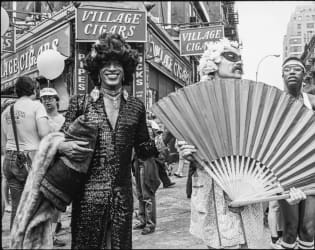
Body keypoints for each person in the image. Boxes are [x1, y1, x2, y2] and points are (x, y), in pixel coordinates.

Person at [176, 38, 308, 249]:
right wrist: (185, 150)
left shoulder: (252, 102)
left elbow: (271, 153)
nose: (238, 62)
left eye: (240, 58)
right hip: (213, 198)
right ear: (213, 63)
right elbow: (183, 138)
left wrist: (287, 189)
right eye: (230, 57)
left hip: (250, 198)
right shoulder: (197, 99)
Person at [56, 32, 163, 249]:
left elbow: (143, 150)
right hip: (88, 198)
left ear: (126, 70)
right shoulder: (80, 103)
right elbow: (60, 137)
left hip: (122, 198)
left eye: (117, 64)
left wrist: (162, 142)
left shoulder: (136, 106)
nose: (112, 69)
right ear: (97, 70)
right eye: (106, 64)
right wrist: (61, 145)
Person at [273, 57, 315, 250]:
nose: (291, 72)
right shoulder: (274, 103)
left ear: (304, 75)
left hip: (311, 170)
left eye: (296, 69)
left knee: (308, 228)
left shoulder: (312, 102)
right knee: (290, 228)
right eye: (287, 69)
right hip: (286, 170)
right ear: (282, 74)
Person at [1, 76, 50, 229]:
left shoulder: (7, 111)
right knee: (35, 206)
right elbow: (44, 133)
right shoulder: (37, 106)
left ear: (16, 91)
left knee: (17, 206)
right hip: (31, 159)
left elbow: (3, 142)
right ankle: (34, 242)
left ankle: (17, 243)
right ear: (34, 90)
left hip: (9, 159)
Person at [39, 87, 66, 247]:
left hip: (60, 165)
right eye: (44, 99)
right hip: (44, 165)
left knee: (58, 204)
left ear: (57, 100)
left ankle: (52, 234)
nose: (47, 101)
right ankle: (44, 234)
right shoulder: (40, 120)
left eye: (50, 98)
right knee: (44, 202)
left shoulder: (64, 120)